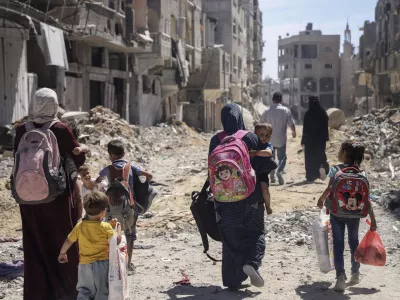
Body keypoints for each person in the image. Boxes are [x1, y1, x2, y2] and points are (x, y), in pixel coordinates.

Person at [13, 88, 86, 300]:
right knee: (62, 241)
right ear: (54, 105)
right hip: (58, 197)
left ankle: (38, 294)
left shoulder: (21, 130)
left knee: (34, 243)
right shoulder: (60, 128)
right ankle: (65, 292)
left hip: (27, 196)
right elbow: (78, 159)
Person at [209, 103, 271, 289]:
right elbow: (263, 166)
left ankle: (232, 280)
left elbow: (211, 170)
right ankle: (251, 263)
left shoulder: (215, 140)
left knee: (231, 239)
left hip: (225, 200)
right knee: (255, 233)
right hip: (251, 198)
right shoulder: (250, 138)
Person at [317, 141, 377, 292]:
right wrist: (373, 219)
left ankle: (340, 277)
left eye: (340, 150)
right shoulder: (361, 173)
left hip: (337, 213)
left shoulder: (336, 169)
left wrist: (321, 199)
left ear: (344, 153)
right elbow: (366, 198)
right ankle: (355, 273)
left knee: (338, 244)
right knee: (353, 241)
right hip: (355, 215)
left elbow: (330, 188)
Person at [95, 139, 153, 272]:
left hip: (111, 209)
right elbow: (149, 175)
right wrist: (142, 186)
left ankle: (113, 263)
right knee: (130, 235)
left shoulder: (107, 169)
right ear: (124, 153)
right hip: (129, 207)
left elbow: (97, 181)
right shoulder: (131, 167)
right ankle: (128, 263)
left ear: (110, 154)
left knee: (112, 234)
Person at [58, 191, 122, 300]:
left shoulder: (79, 226)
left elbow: (69, 241)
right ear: (104, 212)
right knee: (102, 291)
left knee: (84, 290)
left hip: (84, 265)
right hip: (102, 265)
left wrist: (62, 253)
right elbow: (116, 241)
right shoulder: (106, 227)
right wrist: (117, 227)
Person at [260, 92, 296, 185]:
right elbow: (291, 123)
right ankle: (279, 171)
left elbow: (260, 124)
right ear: (281, 100)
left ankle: (272, 174)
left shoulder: (267, 111)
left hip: (269, 140)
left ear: (273, 100)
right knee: (282, 158)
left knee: (271, 158)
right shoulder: (285, 110)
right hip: (281, 139)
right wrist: (294, 132)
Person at [301, 96, 330, 183]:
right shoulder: (323, 112)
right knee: (320, 155)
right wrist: (326, 137)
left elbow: (305, 128)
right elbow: (326, 126)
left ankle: (311, 176)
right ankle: (322, 167)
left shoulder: (308, 114)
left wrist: (303, 140)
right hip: (320, 140)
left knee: (310, 158)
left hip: (310, 140)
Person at [250, 123, 274, 215]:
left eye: (268, 135)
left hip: (262, 173)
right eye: (261, 135)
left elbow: (268, 153)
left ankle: (267, 205)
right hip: (251, 172)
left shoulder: (268, 146)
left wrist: (256, 153)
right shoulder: (252, 144)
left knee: (265, 189)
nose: (265, 137)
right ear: (255, 134)